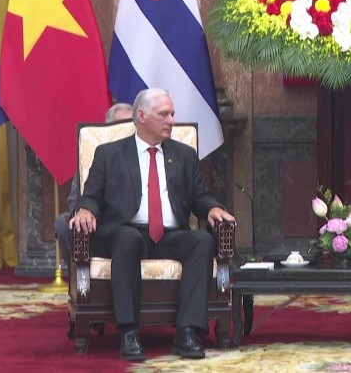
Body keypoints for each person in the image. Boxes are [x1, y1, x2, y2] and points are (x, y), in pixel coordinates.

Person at [69, 88, 235, 362]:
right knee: (127, 238)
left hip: (170, 235)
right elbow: (91, 196)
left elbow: (199, 196)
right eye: (164, 114)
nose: (172, 120)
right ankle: (129, 332)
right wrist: (85, 209)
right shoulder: (109, 154)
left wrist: (213, 208)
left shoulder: (184, 155)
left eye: (172, 114)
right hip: (127, 232)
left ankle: (187, 332)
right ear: (142, 116)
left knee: (202, 241)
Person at [54, 103, 134, 263]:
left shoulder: (144, 156)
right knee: (64, 224)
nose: (124, 131)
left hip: (135, 229)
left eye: (130, 126)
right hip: (99, 228)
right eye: (120, 126)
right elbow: (75, 200)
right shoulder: (94, 156)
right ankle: (78, 277)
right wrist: (85, 212)